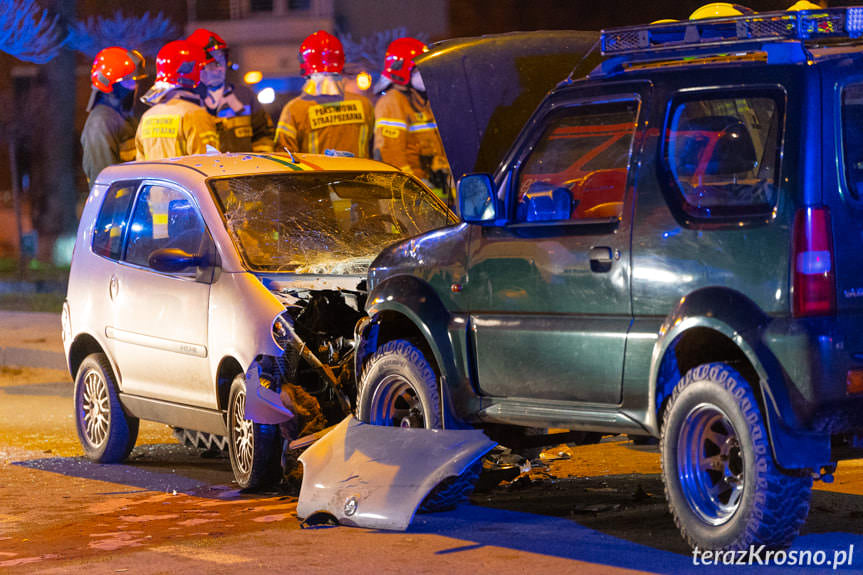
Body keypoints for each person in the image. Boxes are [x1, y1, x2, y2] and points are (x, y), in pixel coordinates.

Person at [373, 37, 451, 204]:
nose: (424, 74)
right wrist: (416, 187)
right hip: (408, 198)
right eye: (418, 70)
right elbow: (391, 154)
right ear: (401, 71)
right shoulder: (392, 103)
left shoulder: (422, 102)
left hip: (434, 192)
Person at [274, 30, 374, 157]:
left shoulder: (294, 110)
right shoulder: (364, 105)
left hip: (316, 177)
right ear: (341, 61)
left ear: (305, 63)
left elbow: (284, 157)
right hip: (359, 176)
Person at [187, 28, 274, 153]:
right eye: (213, 63)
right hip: (206, 171)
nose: (220, 69)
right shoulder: (186, 102)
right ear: (196, 66)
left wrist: (259, 163)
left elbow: (264, 135)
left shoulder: (245, 97)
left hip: (244, 172)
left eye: (222, 61)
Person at [135, 40, 218, 161]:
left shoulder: (147, 117)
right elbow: (209, 165)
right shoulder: (195, 114)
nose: (208, 76)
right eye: (204, 69)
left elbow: (140, 166)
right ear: (191, 71)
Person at [81, 47, 147, 186]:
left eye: (134, 80)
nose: (134, 86)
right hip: (119, 207)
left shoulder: (122, 118)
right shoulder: (100, 124)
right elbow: (106, 184)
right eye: (127, 81)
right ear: (109, 86)